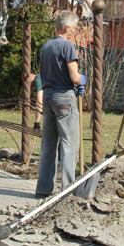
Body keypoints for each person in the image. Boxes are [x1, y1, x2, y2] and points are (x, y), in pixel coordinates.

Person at [35, 11, 84, 198]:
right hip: (64, 97)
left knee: (48, 145)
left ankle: (43, 189)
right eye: (74, 28)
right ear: (66, 27)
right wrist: (82, 80)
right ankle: (68, 190)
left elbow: (43, 73)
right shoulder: (68, 46)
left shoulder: (46, 47)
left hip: (48, 96)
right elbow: (74, 76)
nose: (75, 31)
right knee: (68, 144)